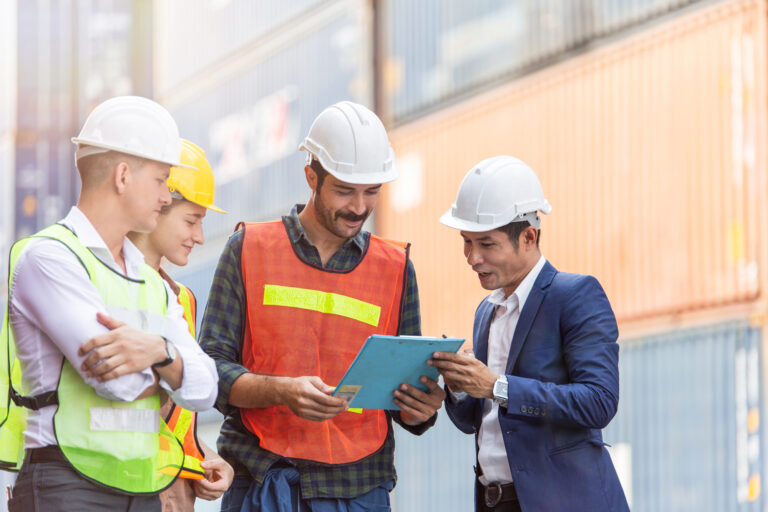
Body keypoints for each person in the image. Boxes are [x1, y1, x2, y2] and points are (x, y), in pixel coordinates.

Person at [199, 101, 446, 511]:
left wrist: (421, 408)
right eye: (345, 190)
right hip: (264, 479)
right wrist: (281, 390)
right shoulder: (248, 250)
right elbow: (210, 372)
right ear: (311, 176)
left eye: (372, 192)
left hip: (360, 489)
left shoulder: (396, 269)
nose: (359, 207)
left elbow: (404, 401)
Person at [0, 96, 219, 511]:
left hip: (142, 487)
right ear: (122, 176)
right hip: (66, 485)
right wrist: (174, 372)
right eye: (160, 180)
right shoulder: (49, 258)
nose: (164, 195)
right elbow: (114, 382)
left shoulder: (151, 282)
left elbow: (207, 389)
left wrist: (157, 351)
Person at [430, 156, 629, 512]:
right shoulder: (485, 312)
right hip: (495, 502)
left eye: (486, 244)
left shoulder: (576, 295)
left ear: (528, 237)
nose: (472, 257)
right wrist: (460, 386)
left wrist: (496, 386)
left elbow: (599, 401)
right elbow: (477, 423)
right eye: (466, 242)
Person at [127, 139, 234, 511]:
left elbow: (170, 416)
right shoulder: (111, 284)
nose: (201, 237)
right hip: (121, 488)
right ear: (157, 205)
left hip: (172, 492)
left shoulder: (180, 298)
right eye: (192, 220)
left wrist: (201, 455)